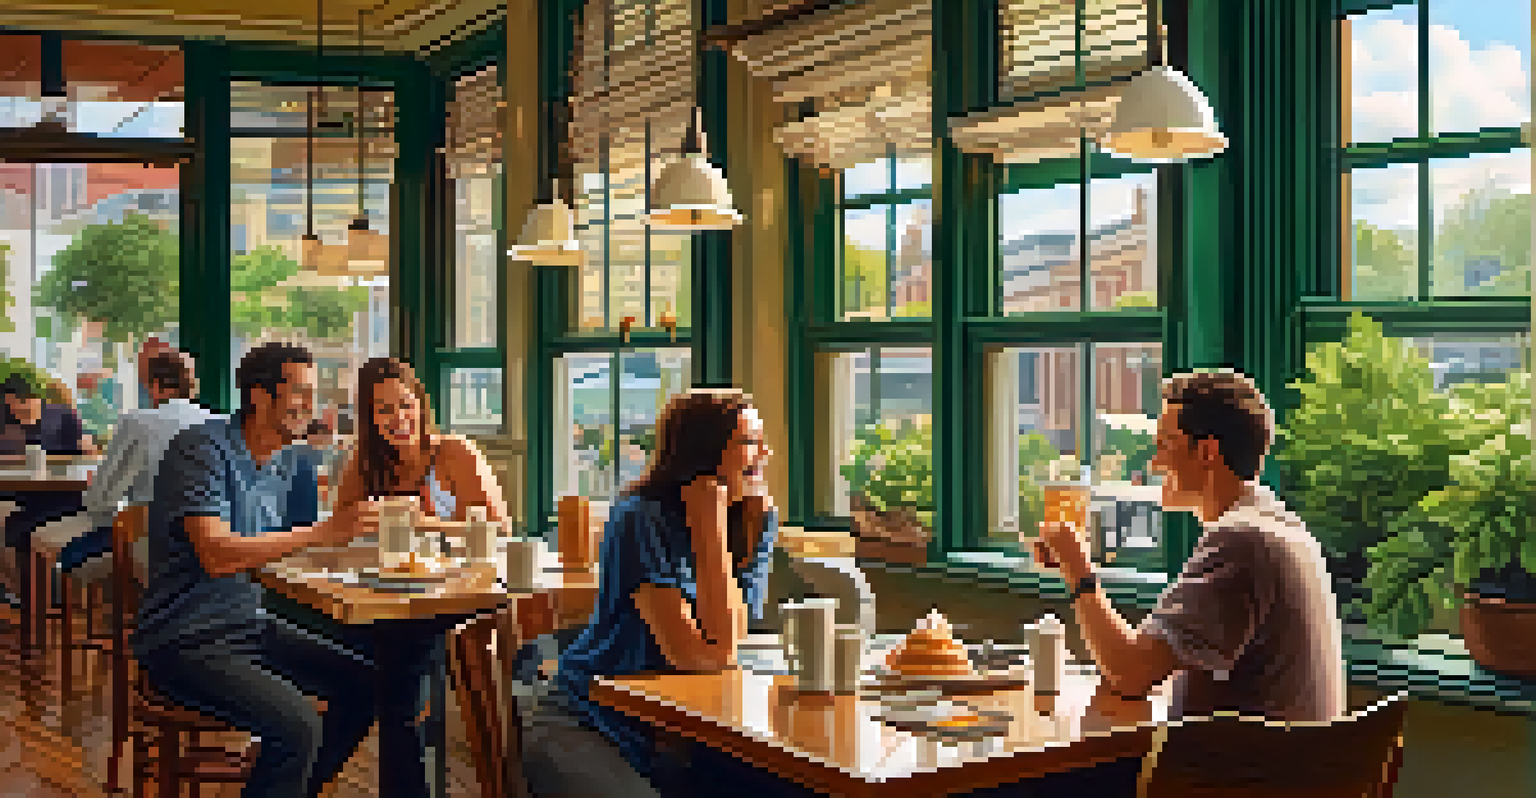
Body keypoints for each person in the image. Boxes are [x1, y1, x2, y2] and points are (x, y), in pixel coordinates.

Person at [131, 343, 383, 798]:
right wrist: (325, 533)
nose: (312, 405)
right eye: (301, 393)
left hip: (247, 626)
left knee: (368, 686)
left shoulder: (290, 460)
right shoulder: (201, 448)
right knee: (298, 726)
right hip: (184, 639)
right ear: (260, 397)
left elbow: (297, 549)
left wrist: (368, 547)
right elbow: (218, 555)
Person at [1034, 369, 1346, 724]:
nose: (1154, 462)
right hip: (1294, 772)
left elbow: (1130, 673)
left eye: (1165, 444)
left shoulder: (1241, 542)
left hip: (1244, 777)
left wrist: (1078, 568)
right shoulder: (1281, 527)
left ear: (1207, 452)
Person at [523, 388, 778, 798]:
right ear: (705, 451)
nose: (764, 453)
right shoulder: (639, 517)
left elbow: (728, 641)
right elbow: (696, 656)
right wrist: (708, 527)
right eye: (749, 442)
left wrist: (713, 520)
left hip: (686, 734)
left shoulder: (755, 519)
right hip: (589, 723)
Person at [324, 356, 509, 795]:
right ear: (369, 419)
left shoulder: (454, 453)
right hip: (394, 598)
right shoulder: (366, 463)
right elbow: (339, 527)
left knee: (391, 671)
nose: (398, 418)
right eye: (384, 410)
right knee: (377, 667)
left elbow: (499, 529)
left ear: (421, 405)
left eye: (405, 405)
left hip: (460, 599)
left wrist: (424, 522)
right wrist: (364, 519)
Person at [39, 347, 218, 585]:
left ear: (154, 384)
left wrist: (95, 496)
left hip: (147, 544)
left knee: (46, 536)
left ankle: (53, 605)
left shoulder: (137, 422)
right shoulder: (217, 423)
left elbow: (101, 500)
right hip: (204, 544)